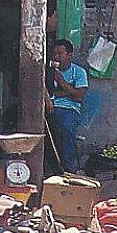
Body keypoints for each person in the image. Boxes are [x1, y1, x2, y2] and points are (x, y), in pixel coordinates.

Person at [45, 39, 89, 172]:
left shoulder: (79, 72)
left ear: (69, 54)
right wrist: (67, 92)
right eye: (54, 54)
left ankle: (69, 167)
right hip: (50, 106)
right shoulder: (48, 71)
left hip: (69, 109)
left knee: (67, 128)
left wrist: (61, 81)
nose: (56, 57)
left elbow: (79, 96)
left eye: (60, 53)